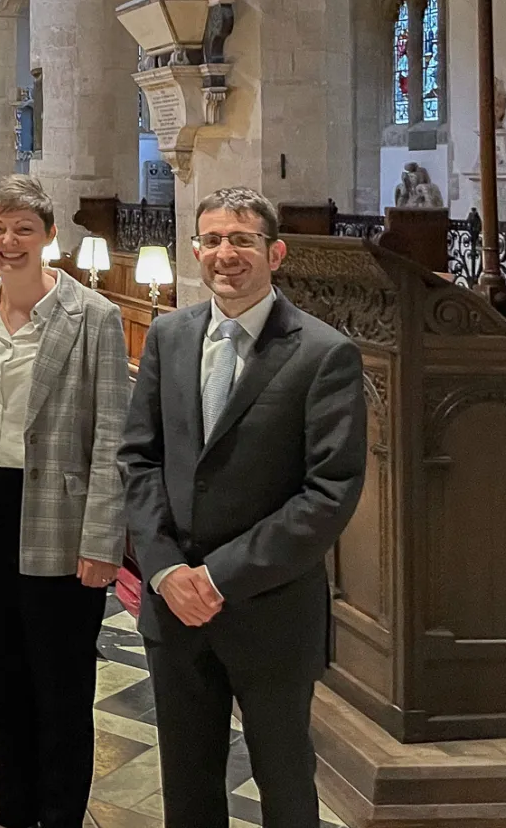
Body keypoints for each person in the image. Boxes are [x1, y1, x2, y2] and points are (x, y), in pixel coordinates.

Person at [119, 187, 367, 828]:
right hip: (175, 609)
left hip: (270, 610)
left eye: (242, 240)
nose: (225, 253)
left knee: (285, 786)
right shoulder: (169, 335)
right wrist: (165, 570)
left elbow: (329, 491)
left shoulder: (323, 353)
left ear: (275, 253)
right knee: (188, 787)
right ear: (196, 249)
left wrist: (218, 577)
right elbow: (139, 459)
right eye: (211, 240)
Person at [0, 176, 129, 828]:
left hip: (60, 520)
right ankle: (15, 813)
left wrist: (102, 540)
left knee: (61, 687)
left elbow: (112, 436)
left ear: (49, 236)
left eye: (23, 230)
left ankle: (60, 815)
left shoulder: (94, 316)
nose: (9, 242)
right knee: (2, 681)